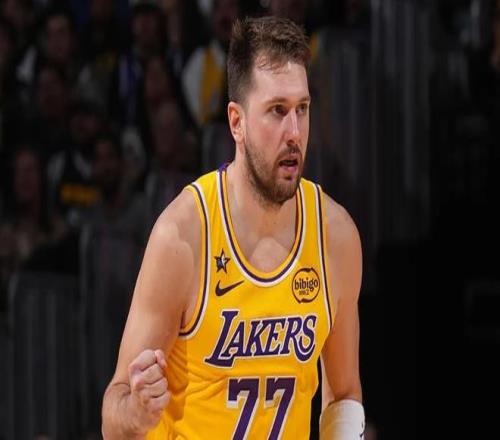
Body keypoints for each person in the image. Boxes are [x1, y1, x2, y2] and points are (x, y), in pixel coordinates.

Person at [102, 16, 365, 439]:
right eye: (277, 111)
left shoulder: (335, 235)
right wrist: (137, 410)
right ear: (236, 122)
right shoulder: (182, 236)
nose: (294, 132)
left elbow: (344, 393)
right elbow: (113, 417)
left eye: (302, 109)